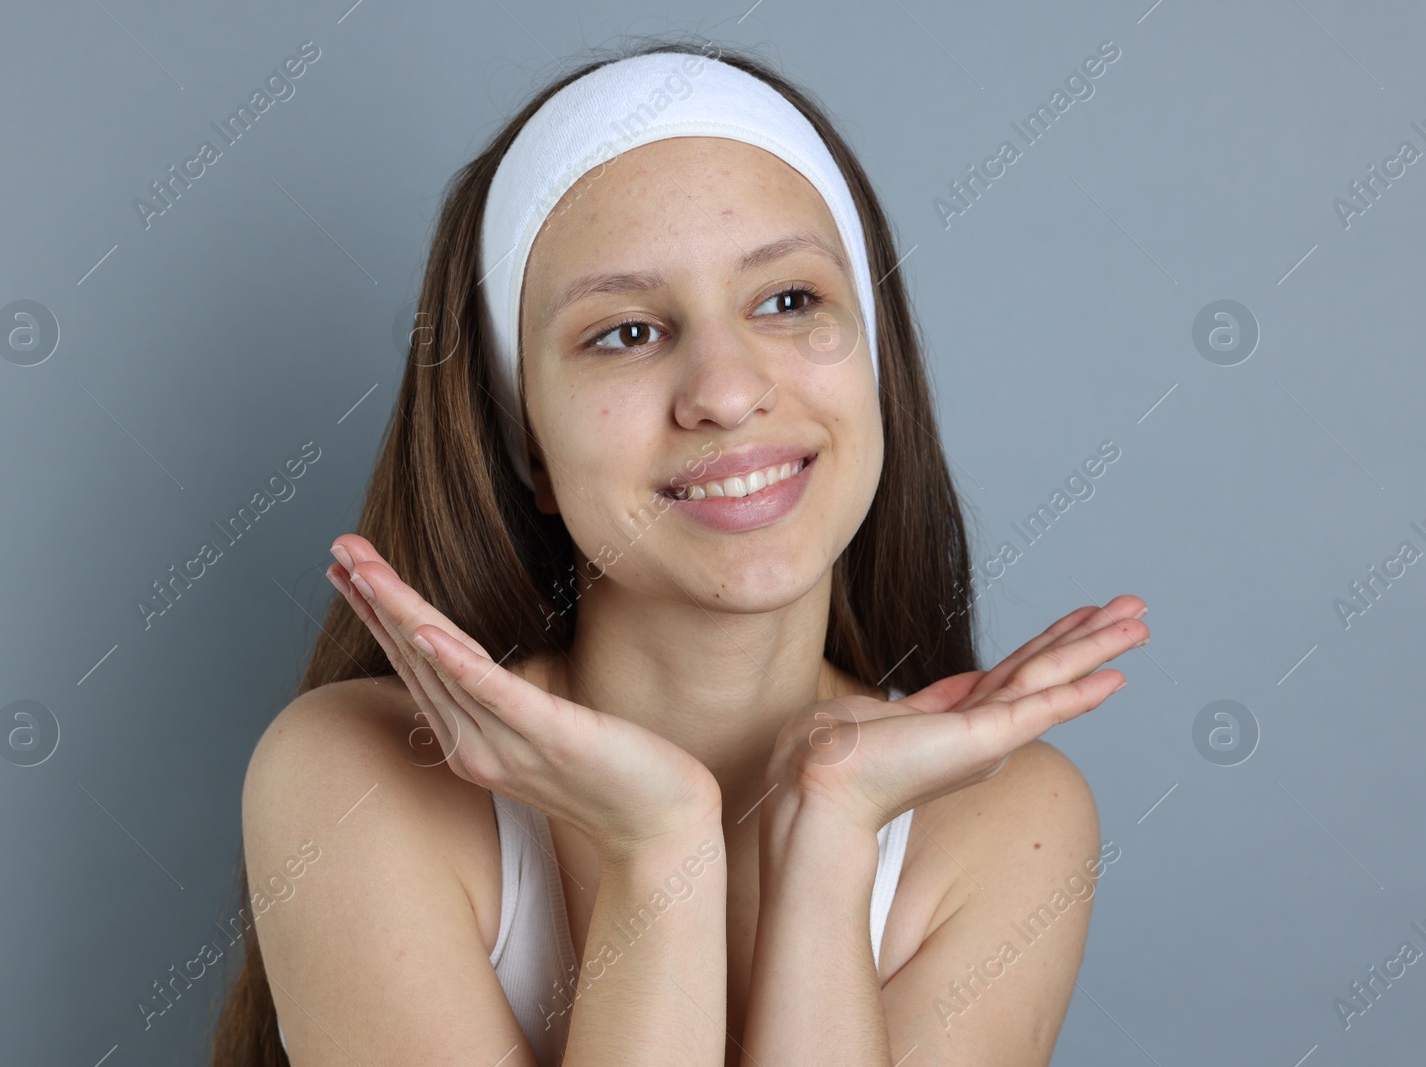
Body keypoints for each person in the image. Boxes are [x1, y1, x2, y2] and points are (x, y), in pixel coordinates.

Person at [210, 36, 1147, 1067]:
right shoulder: (353, 773)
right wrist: (657, 847)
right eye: (625, 331)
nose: (725, 391)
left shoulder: (1006, 818)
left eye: (788, 301)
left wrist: (827, 828)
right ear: (529, 444)